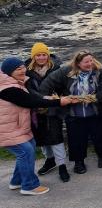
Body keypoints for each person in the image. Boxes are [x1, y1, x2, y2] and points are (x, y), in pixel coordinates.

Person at [0, 57, 75, 195]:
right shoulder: (7, 88)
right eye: (18, 69)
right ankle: (29, 186)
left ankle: (17, 181)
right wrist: (58, 102)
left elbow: (34, 97)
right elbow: (30, 101)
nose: (23, 70)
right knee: (25, 152)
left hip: (18, 127)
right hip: (7, 129)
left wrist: (50, 99)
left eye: (23, 67)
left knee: (29, 148)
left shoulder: (16, 83)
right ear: (9, 72)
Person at [39, 50, 102, 175]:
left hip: (95, 112)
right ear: (77, 62)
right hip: (73, 113)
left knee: (100, 135)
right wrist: (46, 100)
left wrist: (99, 95)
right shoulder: (66, 71)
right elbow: (47, 83)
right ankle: (79, 162)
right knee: (76, 139)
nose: (90, 64)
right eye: (86, 62)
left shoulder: (99, 71)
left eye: (91, 60)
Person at [24, 42, 70, 182]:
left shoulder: (57, 69)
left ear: (48, 55)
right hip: (36, 110)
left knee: (56, 138)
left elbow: (63, 87)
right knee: (42, 138)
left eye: (44, 54)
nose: (41, 57)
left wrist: (59, 98)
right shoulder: (26, 71)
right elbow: (27, 89)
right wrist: (38, 100)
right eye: (38, 55)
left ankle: (62, 165)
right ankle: (50, 160)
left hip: (53, 108)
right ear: (33, 57)